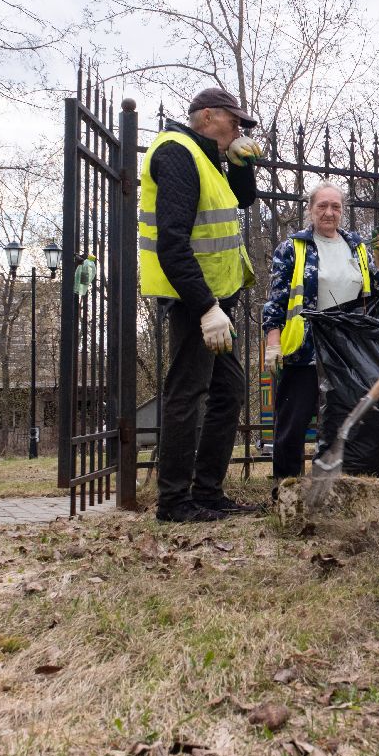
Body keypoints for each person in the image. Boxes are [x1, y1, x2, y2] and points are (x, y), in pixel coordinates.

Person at [137, 86, 265, 523]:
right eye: (235, 121)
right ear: (207, 116)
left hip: (217, 299)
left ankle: (207, 491)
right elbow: (172, 243)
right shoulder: (176, 153)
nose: (239, 128)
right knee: (186, 393)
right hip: (196, 299)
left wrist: (242, 165)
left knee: (229, 392)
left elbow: (242, 202)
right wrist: (207, 308)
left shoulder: (205, 156)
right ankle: (174, 501)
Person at [260, 182, 379, 480]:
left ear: (342, 211)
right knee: (294, 420)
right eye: (322, 206)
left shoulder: (357, 247)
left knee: (345, 418)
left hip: (348, 349)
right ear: (310, 209)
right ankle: (285, 489)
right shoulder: (293, 248)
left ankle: (340, 483)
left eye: (336, 207)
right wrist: (273, 343)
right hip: (305, 347)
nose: (329, 213)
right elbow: (276, 300)